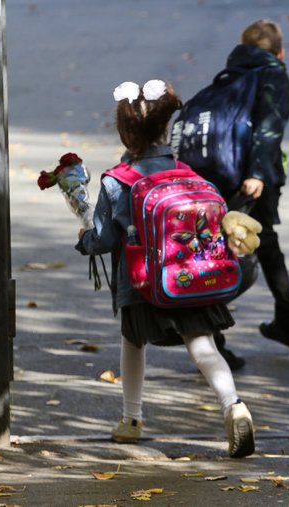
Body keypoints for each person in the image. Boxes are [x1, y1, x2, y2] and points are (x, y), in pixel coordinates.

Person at [76, 79, 256, 457]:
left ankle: (132, 420)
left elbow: (104, 239)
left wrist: (84, 238)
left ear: (126, 133)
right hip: (193, 277)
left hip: (142, 284)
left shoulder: (117, 181)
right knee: (203, 346)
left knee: (132, 342)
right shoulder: (190, 176)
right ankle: (233, 405)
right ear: (165, 129)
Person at [211, 19, 289, 369]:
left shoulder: (230, 73)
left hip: (221, 172)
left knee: (222, 247)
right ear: (281, 51)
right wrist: (258, 172)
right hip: (255, 176)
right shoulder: (274, 74)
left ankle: (218, 338)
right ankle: (284, 321)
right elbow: (269, 128)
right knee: (252, 245)